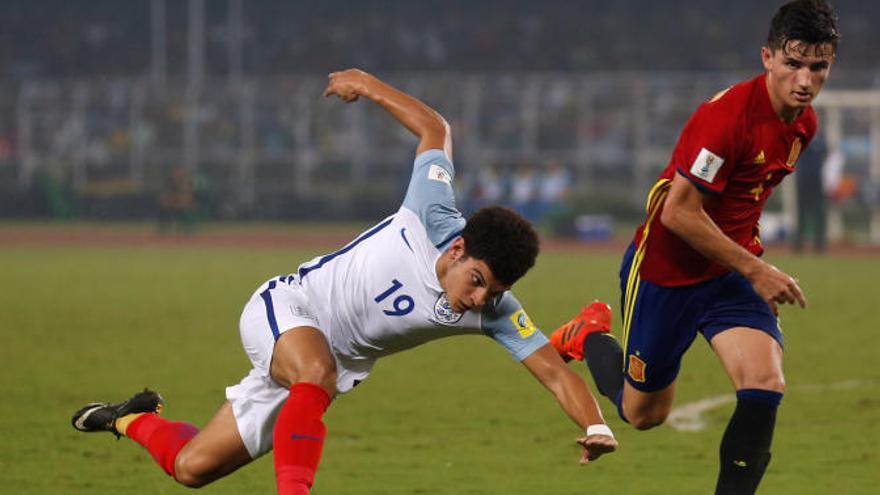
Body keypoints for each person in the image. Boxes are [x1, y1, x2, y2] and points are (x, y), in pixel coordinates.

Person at [70, 69, 617, 494]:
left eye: (491, 293)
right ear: (457, 249)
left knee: (192, 469)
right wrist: (368, 85)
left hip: (319, 373)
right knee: (318, 371)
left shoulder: (493, 309)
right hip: (287, 307)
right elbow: (436, 129)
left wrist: (597, 426)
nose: (478, 299)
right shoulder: (430, 210)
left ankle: (129, 420)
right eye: (476, 281)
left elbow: (553, 373)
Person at [549, 1, 839, 494]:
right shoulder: (725, 120)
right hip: (667, 273)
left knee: (764, 385)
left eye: (818, 67)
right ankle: (588, 335)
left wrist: (746, 265)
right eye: (793, 64)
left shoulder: (803, 125)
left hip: (728, 275)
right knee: (643, 415)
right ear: (767, 57)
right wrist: (755, 268)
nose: (805, 80)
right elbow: (677, 213)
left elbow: (742, 202)